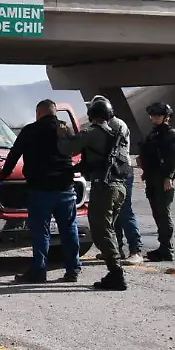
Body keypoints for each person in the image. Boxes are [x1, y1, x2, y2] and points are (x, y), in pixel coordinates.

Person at [0, 99, 81, 283]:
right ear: (55, 112)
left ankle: (39, 271)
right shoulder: (65, 128)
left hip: (40, 189)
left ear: (38, 113)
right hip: (66, 187)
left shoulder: (30, 130)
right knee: (69, 229)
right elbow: (76, 151)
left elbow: (13, 156)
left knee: (41, 232)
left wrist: (1, 176)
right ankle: (73, 269)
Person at [58, 98, 132, 290]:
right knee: (109, 229)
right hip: (119, 187)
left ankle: (116, 274)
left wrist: (63, 134)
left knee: (100, 231)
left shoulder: (92, 133)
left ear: (92, 116)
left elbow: (66, 148)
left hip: (104, 187)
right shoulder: (117, 131)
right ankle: (115, 271)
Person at [87, 95, 143, 264]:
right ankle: (115, 249)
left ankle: (136, 250)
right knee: (112, 214)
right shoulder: (108, 125)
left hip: (120, 172)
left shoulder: (115, 125)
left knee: (125, 212)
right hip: (112, 172)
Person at [138, 102, 175, 261]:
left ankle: (167, 249)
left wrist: (168, 177)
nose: (154, 117)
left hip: (164, 178)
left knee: (163, 213)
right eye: (153, 115)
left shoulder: (171, 134)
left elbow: (174, 157)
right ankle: (163, 247)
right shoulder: (152, 134)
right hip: (152, 177)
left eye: (158, 115)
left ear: (166, 117)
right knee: (157, 213)